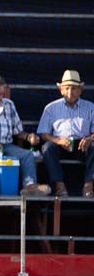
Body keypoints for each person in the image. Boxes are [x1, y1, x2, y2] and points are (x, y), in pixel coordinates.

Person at [37, 70, 94, 198]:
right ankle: (59, 186)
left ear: (80, 90)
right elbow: (44, 134)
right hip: (61, 144)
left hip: (82, 144)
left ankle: (89, 185)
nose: (70, 92)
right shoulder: (51, 108)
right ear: (61, 90)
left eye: (74, 88)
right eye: (67, 88)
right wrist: (58, 140)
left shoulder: (90, 107)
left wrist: (90, 139)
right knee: (47, 147)